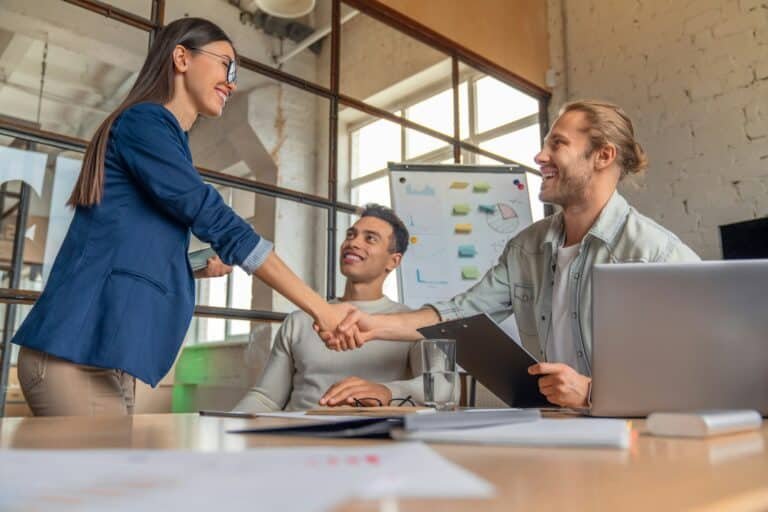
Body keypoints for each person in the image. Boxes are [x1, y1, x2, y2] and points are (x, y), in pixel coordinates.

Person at [12, 18, 351, 416]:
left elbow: (120, 247)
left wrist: (189, 265)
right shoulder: (145, 123)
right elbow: (216, 219)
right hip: (73, 354)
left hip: (102, 357)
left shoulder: (163, 136)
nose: (232, 82)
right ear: (181, 58)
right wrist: (321, 309)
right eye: (226, 64)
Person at [321, 100, 700, 409]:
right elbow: (461, 311)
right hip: (552, 431)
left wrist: (591, 392)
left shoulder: (656, 253)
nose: (540, 156)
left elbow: (702, 370)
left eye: (558, 144)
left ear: (603, 156)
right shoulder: (526, 247)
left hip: (637, 444)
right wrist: (373, 326)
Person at [235, 205, 424, 412]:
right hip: (295, 436)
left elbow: (440, 389)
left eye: (370, 238)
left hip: (371, 439)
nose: (353, 242)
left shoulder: (411, 326)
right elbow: (266, 398)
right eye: (351, 235)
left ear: (393, 260)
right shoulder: (299, 321)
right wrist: (226, 429)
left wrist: (387, 391)